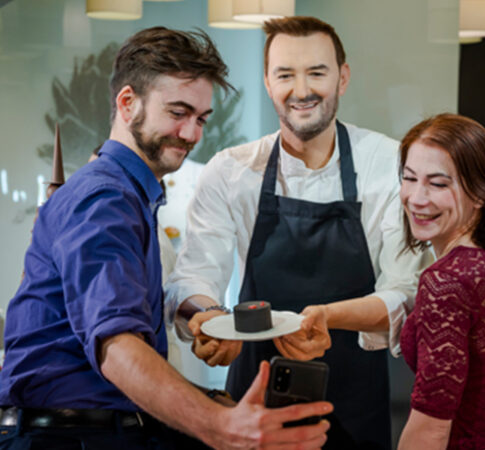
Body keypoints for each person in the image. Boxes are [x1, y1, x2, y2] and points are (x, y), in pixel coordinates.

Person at [0, 26, 332, 450]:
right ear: (127, 103)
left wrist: (212, 400)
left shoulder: (134, 196)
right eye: (178, 112)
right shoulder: (105, 197)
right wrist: (220, 425)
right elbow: (116, 346)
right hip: (70, 437)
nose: (192, 134)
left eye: (201, 119)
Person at [164, 16, 433, 450]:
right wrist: (209, 318)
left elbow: (405, 290)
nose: (302, 89)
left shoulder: (388, 161)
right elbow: (193, 276)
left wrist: (327, 317)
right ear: (268, 82)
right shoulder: (231, 170)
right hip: (252, 399)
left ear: (343, 78)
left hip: (355, 398)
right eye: (286, 74)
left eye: (317, 72)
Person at [285, 113, 485, 450]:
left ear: (481, 192)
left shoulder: (445, 282)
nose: (416, 197)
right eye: (409, 178)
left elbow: (430, 430)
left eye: (438, 184)